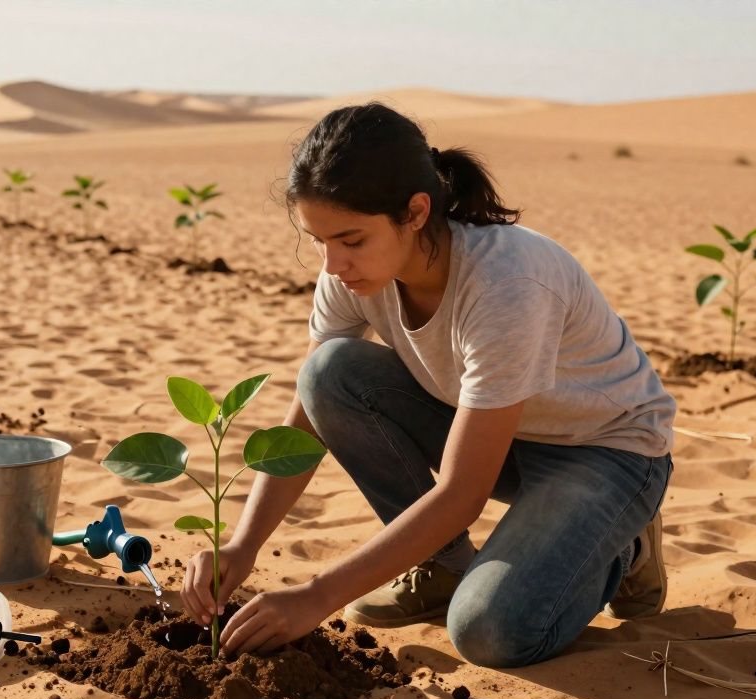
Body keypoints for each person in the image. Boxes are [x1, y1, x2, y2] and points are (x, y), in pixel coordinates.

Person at [178, 102, 676, 668]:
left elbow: (463, 492)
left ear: (415, 212)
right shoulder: (351, 270)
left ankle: (623, 544)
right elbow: (307, 419)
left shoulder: (506, 283)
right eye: (318, 241)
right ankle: (441, 566)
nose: (333, 263)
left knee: (489, 631)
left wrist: (316, 598)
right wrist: (242, 545)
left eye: (351, 240)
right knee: (329, 373)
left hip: (606, 453)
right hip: (495, 435)